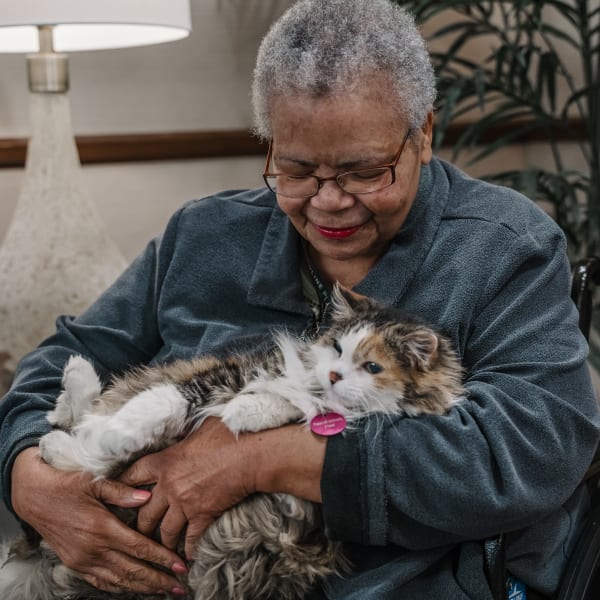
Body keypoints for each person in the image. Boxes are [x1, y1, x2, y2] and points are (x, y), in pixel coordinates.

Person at [1, 0, 598, 598]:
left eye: (365, 172)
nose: (329, 201)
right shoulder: (204, 235)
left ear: (423, 136)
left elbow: (536, 446)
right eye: (296, 170)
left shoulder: (503, 248)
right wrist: (27, 477)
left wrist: (264, 458)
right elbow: (67, 355)